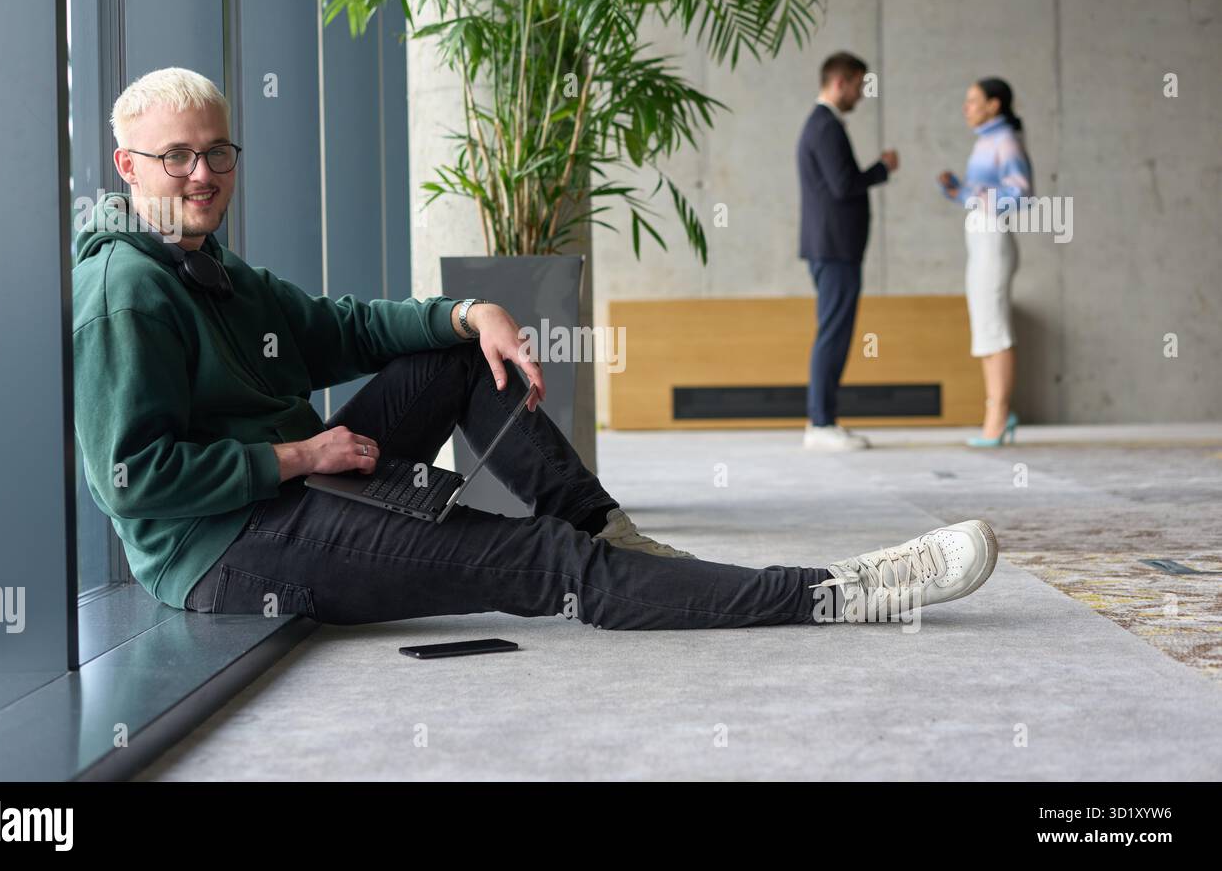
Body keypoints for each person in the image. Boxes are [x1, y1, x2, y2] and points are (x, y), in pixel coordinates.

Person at [72, 66, 998, 629]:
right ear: (128, 166)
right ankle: (834, 591)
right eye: (176, 157)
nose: (202, 174)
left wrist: (471, 311)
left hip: (297, 485)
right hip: (228, 549)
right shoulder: (127, 291)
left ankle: (614, 538)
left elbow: (340, 328)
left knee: (456, 356)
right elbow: (131, 479)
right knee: (547, 566)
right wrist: (296, 456)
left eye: (217, 152)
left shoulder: (207, 265)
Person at [796, 52, 898, 451]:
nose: (861, 94)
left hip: (834, 247)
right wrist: (882, 168)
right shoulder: (825, 126)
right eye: (858, 85)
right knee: (833, 334)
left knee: (834, 331)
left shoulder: (823, 124)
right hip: (834, 247)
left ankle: (823, 420)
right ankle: (820, 424)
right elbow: (843, 185)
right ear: (840, 82)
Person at [938, 77, 1032, 447]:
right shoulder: (984, 142)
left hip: (993, 240)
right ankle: (996, 411)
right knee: (984, 327)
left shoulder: (1004, 140)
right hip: (979, 238)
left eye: (974, 100)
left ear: (994, 105)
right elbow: (981, 195)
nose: (967, 107)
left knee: (995, 327)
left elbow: (1021, 193)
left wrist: (972, 196)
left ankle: (999, 413)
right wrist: (958, 192)